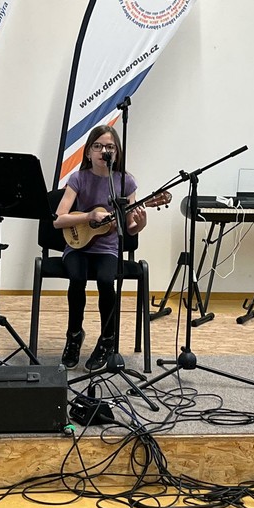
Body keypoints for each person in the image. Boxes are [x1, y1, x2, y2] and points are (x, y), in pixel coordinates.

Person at [54, 124, 147, 371]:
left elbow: (130, 228)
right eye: (97, 146)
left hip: (107, 248)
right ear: (88, 152)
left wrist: (140, 223)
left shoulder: (125, 182)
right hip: (77, 246)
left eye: (109, 147)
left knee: (107, 281)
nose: (103, 151)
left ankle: (107, 338)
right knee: (77, 278)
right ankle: (74, 335)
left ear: (116, 152)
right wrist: (89, 216)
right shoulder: (78, 179)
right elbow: (58, 219)